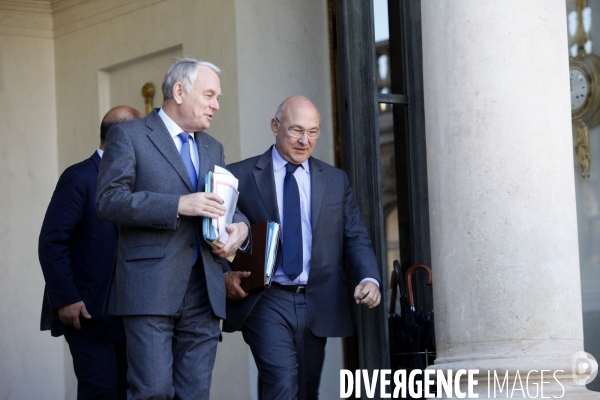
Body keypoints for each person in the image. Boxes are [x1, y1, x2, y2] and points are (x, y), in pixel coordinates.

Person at [95, 57, 250, 400]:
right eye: (210, 95)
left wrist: (239, 228)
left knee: (195, 393)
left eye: (218, 97)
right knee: (153, 391)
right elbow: (108, 201)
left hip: (205, 289)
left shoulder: (213, 147)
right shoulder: (129, 135)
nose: (216, 105)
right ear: (179, 91)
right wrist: (178, 204)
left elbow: (227, 206)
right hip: (149, 286)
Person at [223, 95, 382, 400]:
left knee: (305, 390)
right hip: (266, 299)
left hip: (317, 300)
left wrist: (369, 278)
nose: (304, 141)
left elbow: (355, 236)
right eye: (296, 130)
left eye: (313, 132)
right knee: (282, 382)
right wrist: (223, 275)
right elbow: (216, 234)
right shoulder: (240, 175)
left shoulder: (335, 180)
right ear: (275, 126)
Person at [39, 105, 144, 399]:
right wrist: (67, 298)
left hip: (132, 316)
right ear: (123, 137)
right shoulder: (79, 177)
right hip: (88, 316)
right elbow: (52, 242)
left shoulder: (139, 180)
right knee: (100, 392)